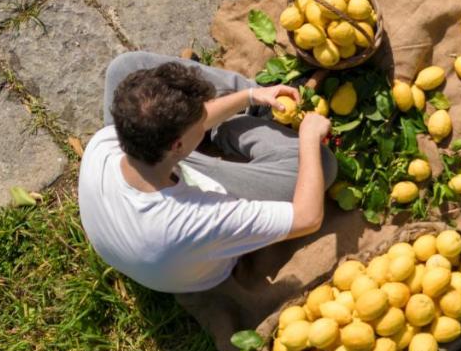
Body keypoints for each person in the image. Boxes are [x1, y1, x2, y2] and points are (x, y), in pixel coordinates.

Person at [78, 52, 336, 294]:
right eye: (200, 122)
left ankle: (243, 112)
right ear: (177, 146)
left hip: (152, 194)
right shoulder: (202, 218)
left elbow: (185, 128)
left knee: (122, 67)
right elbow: (307, 218)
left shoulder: (103, 144)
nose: (207, 111)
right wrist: (308, 136)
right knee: (321, 163)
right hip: (192, 244)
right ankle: (233, 127)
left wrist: (251, 95)